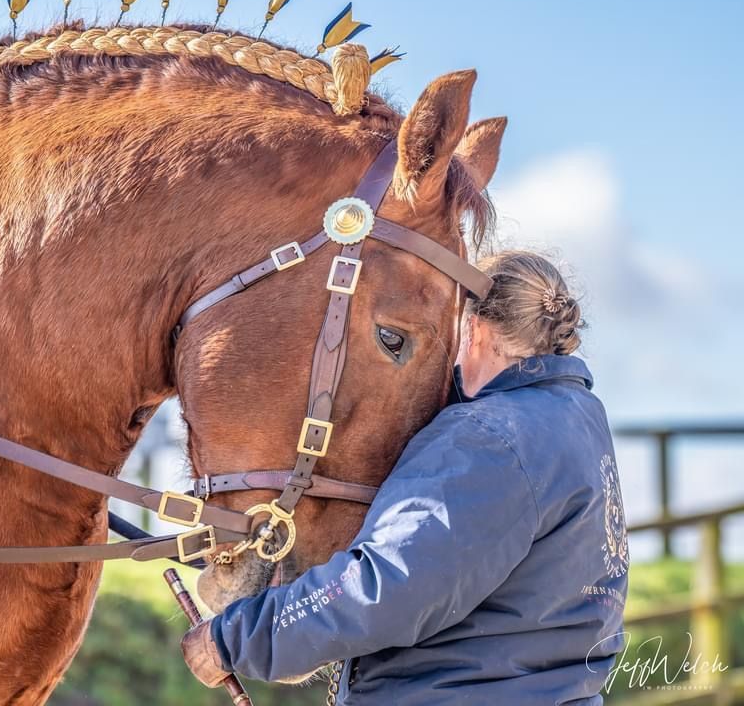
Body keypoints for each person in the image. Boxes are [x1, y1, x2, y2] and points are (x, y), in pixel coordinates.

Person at [181, 250, 629, 705]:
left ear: (470, 326)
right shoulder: (578, 419)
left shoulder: (486, 437)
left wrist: (235, 640)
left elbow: (385, 585)